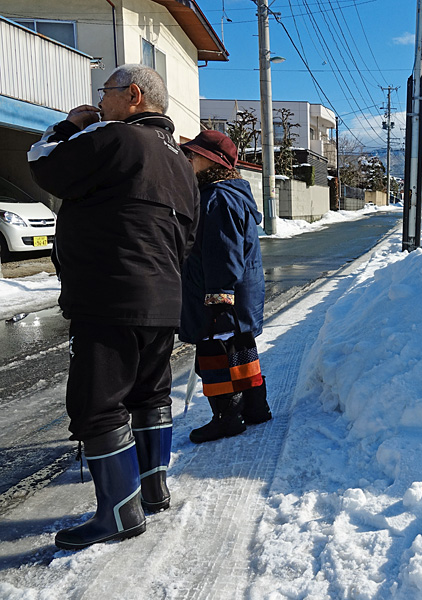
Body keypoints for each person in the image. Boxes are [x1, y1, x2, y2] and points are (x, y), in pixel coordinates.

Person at [27, 64, 200, 550]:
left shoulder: (117, 139)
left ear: (134, 95)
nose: (101, 103)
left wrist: (67, 127)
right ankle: (152, 489)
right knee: (149, 394)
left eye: (106, 93)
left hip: (110, 296)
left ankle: (120, 515)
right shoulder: (182, 165)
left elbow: (45, 167)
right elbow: (187, 236)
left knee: (97, 405)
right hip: (163, 298)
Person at [179, 130, 271, 444]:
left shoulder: (216, 197)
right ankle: (256, 408)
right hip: (238, 291)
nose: (189, 158)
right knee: (240, 348)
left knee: (215, 353)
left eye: (194, 153)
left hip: (219, 293)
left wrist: (219, 300)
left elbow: (223, 252)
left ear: (212, 160)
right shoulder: (230, 192)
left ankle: (226, 417)